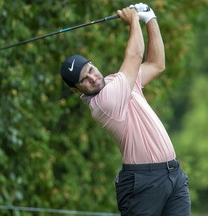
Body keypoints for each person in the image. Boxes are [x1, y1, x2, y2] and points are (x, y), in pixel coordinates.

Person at [60, 3, 191, 216]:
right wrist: (133, 21)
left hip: (173, 175)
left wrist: (150, 19)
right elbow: (135, 54)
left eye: (90, 69)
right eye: (84, 80)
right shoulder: (104, 102)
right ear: (76, 90)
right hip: (142, 183)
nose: (93, 78)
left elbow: (157, 64)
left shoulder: (117, 82)